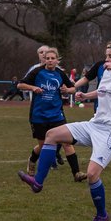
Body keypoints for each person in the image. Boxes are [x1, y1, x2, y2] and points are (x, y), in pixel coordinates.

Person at [19, 40, 111, 221]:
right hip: (95, 125)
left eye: (110, 56)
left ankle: (102, 215)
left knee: (92, 174)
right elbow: (102, 91)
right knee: (52, 135)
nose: (106, 60)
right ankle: (38, 182)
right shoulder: (107, 75)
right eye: (106, 56)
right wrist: (86, 96)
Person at [18, 47, 84, 181]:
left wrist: (67, 90)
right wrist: (33, 88)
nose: (49, 60)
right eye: (47, 58)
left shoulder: (60, 74)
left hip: (56, 114)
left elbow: (72, 88)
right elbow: (20, 85)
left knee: (67, 143)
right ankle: (32, 159)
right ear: (44, 60)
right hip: (39, 115)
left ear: (57, 60)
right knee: (44, 146)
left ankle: (77, 173)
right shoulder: (37, 72)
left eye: (52, 58)